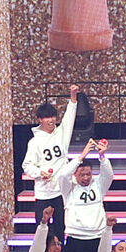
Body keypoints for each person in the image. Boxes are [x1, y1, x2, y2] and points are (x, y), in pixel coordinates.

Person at [60, 139, 113, 252]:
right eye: (82, 174)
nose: (85, 177)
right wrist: (81, 156)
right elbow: (63, 174)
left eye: (88, 174)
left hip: (97, 239)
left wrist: (102, 156)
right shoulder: (68, 188)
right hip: (76, 239)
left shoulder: (98, 185)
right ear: (75, 174)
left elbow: (109, 175)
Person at [22, 85, 80, 241]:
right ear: (40, 120)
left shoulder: (61, 133)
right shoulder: (34, 142)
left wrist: (73, 97)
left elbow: (69, 117)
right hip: (44, 192)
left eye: (53, 117)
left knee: (61, 228)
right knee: (42, 229)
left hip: (61, 191)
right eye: (47, 118)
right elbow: (27, 165)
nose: (51, 120)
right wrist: (39, 173)